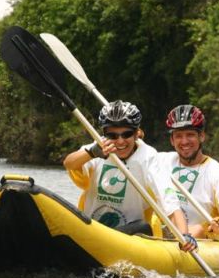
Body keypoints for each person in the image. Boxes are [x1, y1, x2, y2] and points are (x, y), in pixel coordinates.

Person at [63, 100, 197, 251]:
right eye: (112, 135)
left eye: (127, 134)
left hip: (129, 235)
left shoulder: (149, 157)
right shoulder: (98, 147)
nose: (120, 141)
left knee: (143, 227)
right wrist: (92, 153)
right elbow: (69, 163)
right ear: (104, 134)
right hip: (91, 228)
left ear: (137, 133)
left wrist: (184, 234)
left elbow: (169, 200)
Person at [158, 104, 219, 240]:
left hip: (197, 237)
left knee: (197, 230)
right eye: (178, 136)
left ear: (201, 136)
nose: (184, 141)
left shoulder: (216, 171)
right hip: (159, 233)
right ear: (172, 140)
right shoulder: (161, 161)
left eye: (190, 135)